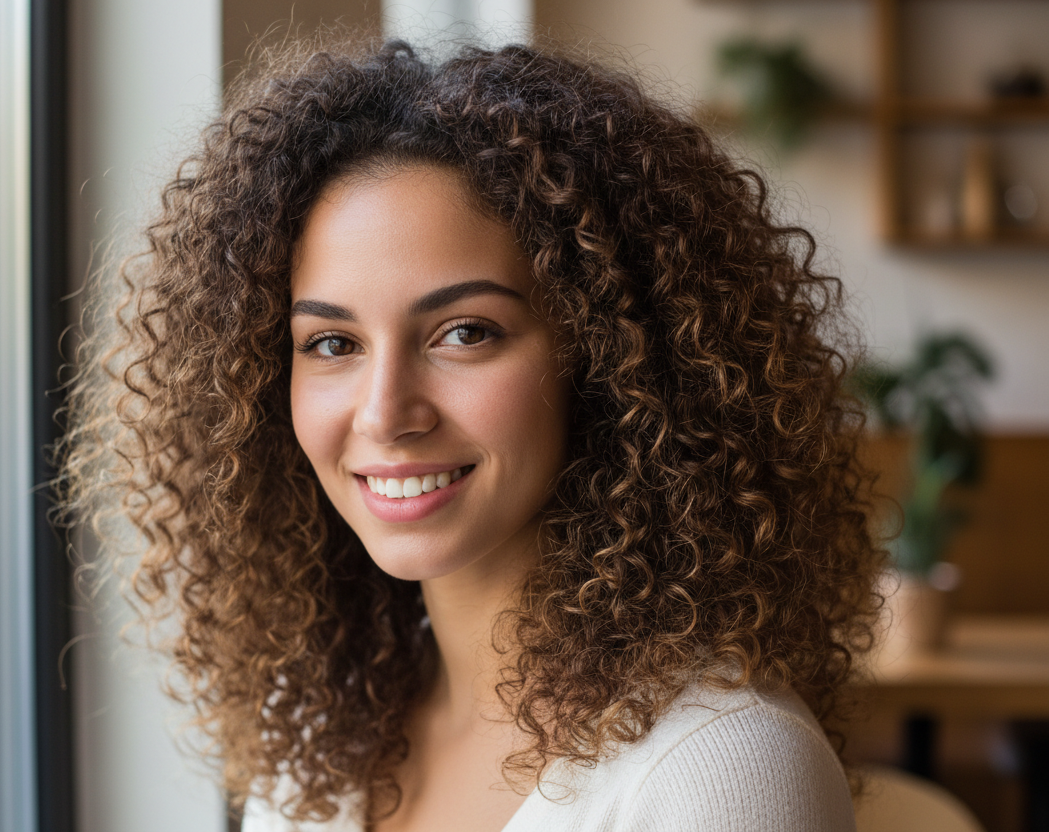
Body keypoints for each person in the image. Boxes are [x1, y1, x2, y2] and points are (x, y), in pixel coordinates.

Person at [59, 35, 882, 832]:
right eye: (333, 344)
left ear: (610, 353)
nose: (385, 414)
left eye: (465, 333)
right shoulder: (322, 742)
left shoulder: (720, 767)